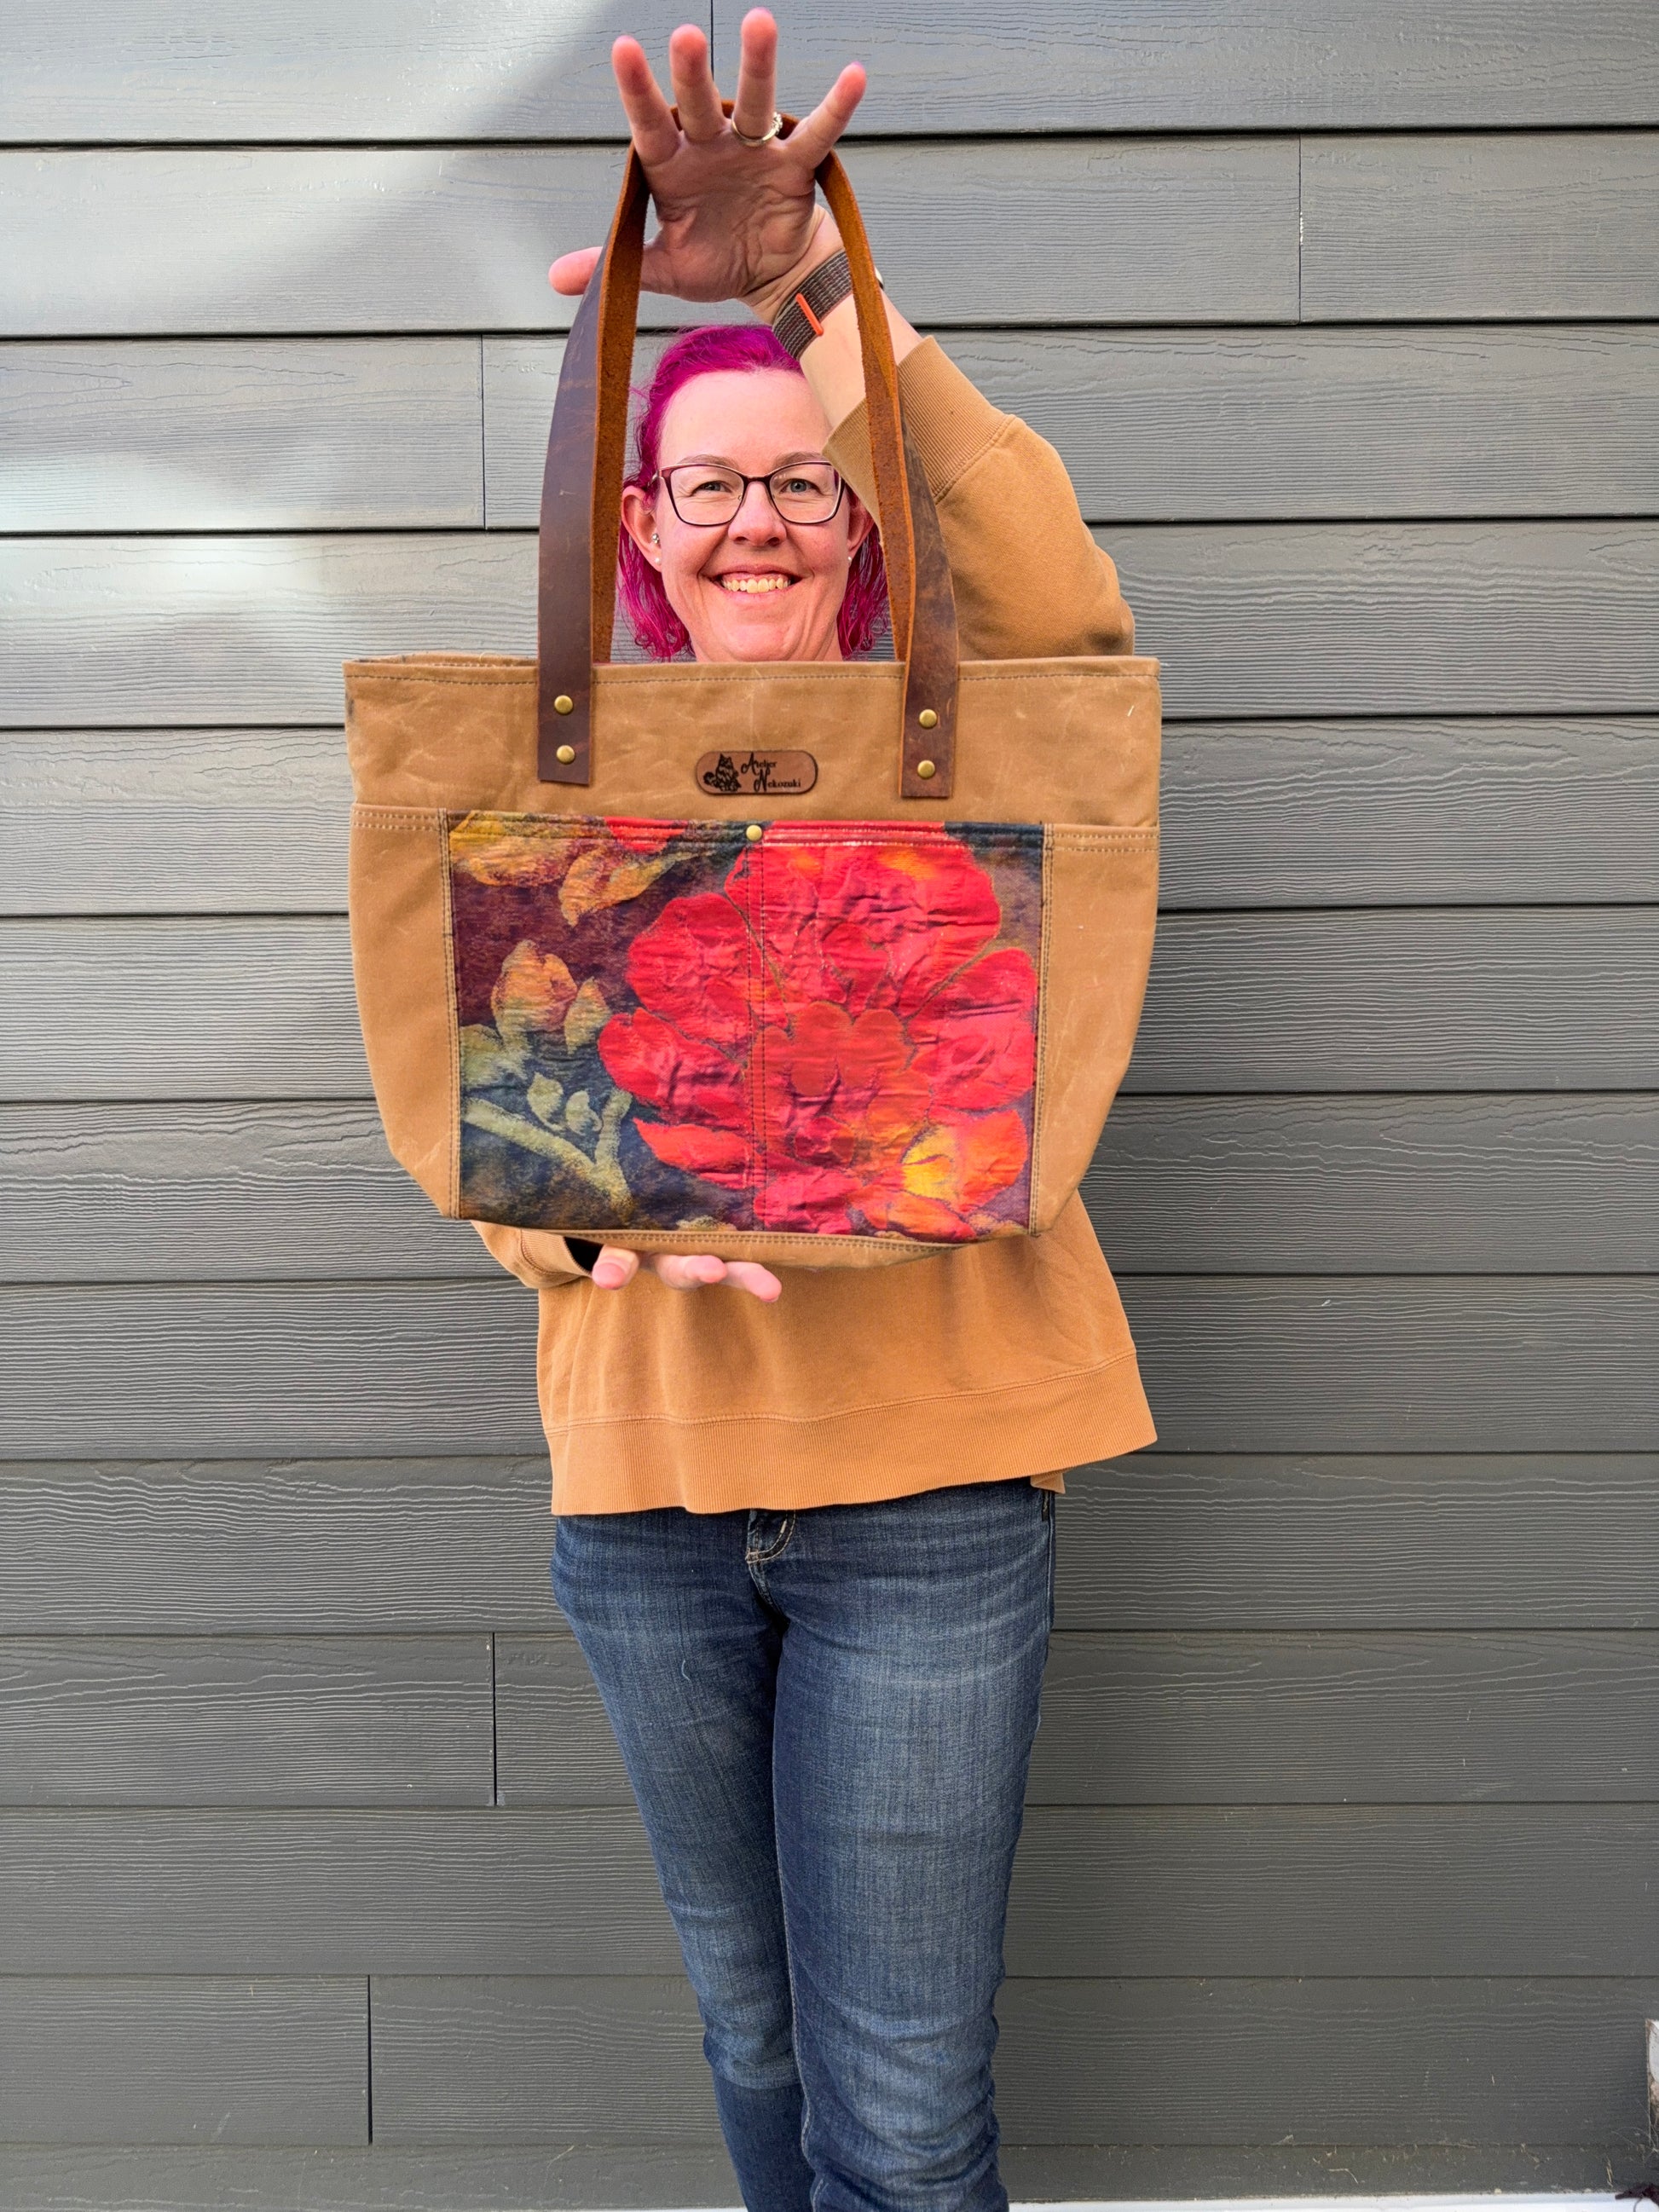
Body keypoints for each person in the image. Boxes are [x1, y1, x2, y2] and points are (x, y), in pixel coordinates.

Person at [474, 13, 1158, 2209]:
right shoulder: (554, 772)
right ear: (641, 524)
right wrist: (579, 1224)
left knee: (899, 2076)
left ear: (857, 519)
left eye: (804, 479)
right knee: (753, 2025)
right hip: (646, 1487)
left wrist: (815, 306)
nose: (757, 515)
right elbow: (470, 1088)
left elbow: (1053, 592)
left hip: (933, 1483)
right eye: (710, 479)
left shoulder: (964, 731)